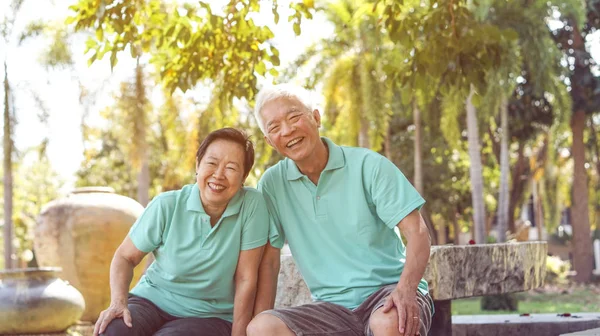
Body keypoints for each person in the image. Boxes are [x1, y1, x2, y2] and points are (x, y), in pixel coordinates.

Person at [247, 84, 434, 336]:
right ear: (270, 141)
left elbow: (418, 233)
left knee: (388, 322)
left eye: (294, 117)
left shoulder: (368, 165)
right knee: (261, 328)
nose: (288, 130)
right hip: (330, 310)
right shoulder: (272, 184)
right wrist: (260, 314)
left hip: (388, 292)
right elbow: (269, 263)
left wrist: (406, 290)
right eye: (274, 127)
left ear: (316, 118)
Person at [94, 128, 269, 336]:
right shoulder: (167, 205)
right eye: (211, 163)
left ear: (244, 176)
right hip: (151, 301)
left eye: (231, 168)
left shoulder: (252, 205)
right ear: (198, 165)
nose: (219, 175)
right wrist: (118, 303)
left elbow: (246, 278)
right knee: (113, 332)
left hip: (209, 315)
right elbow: (125, 256)